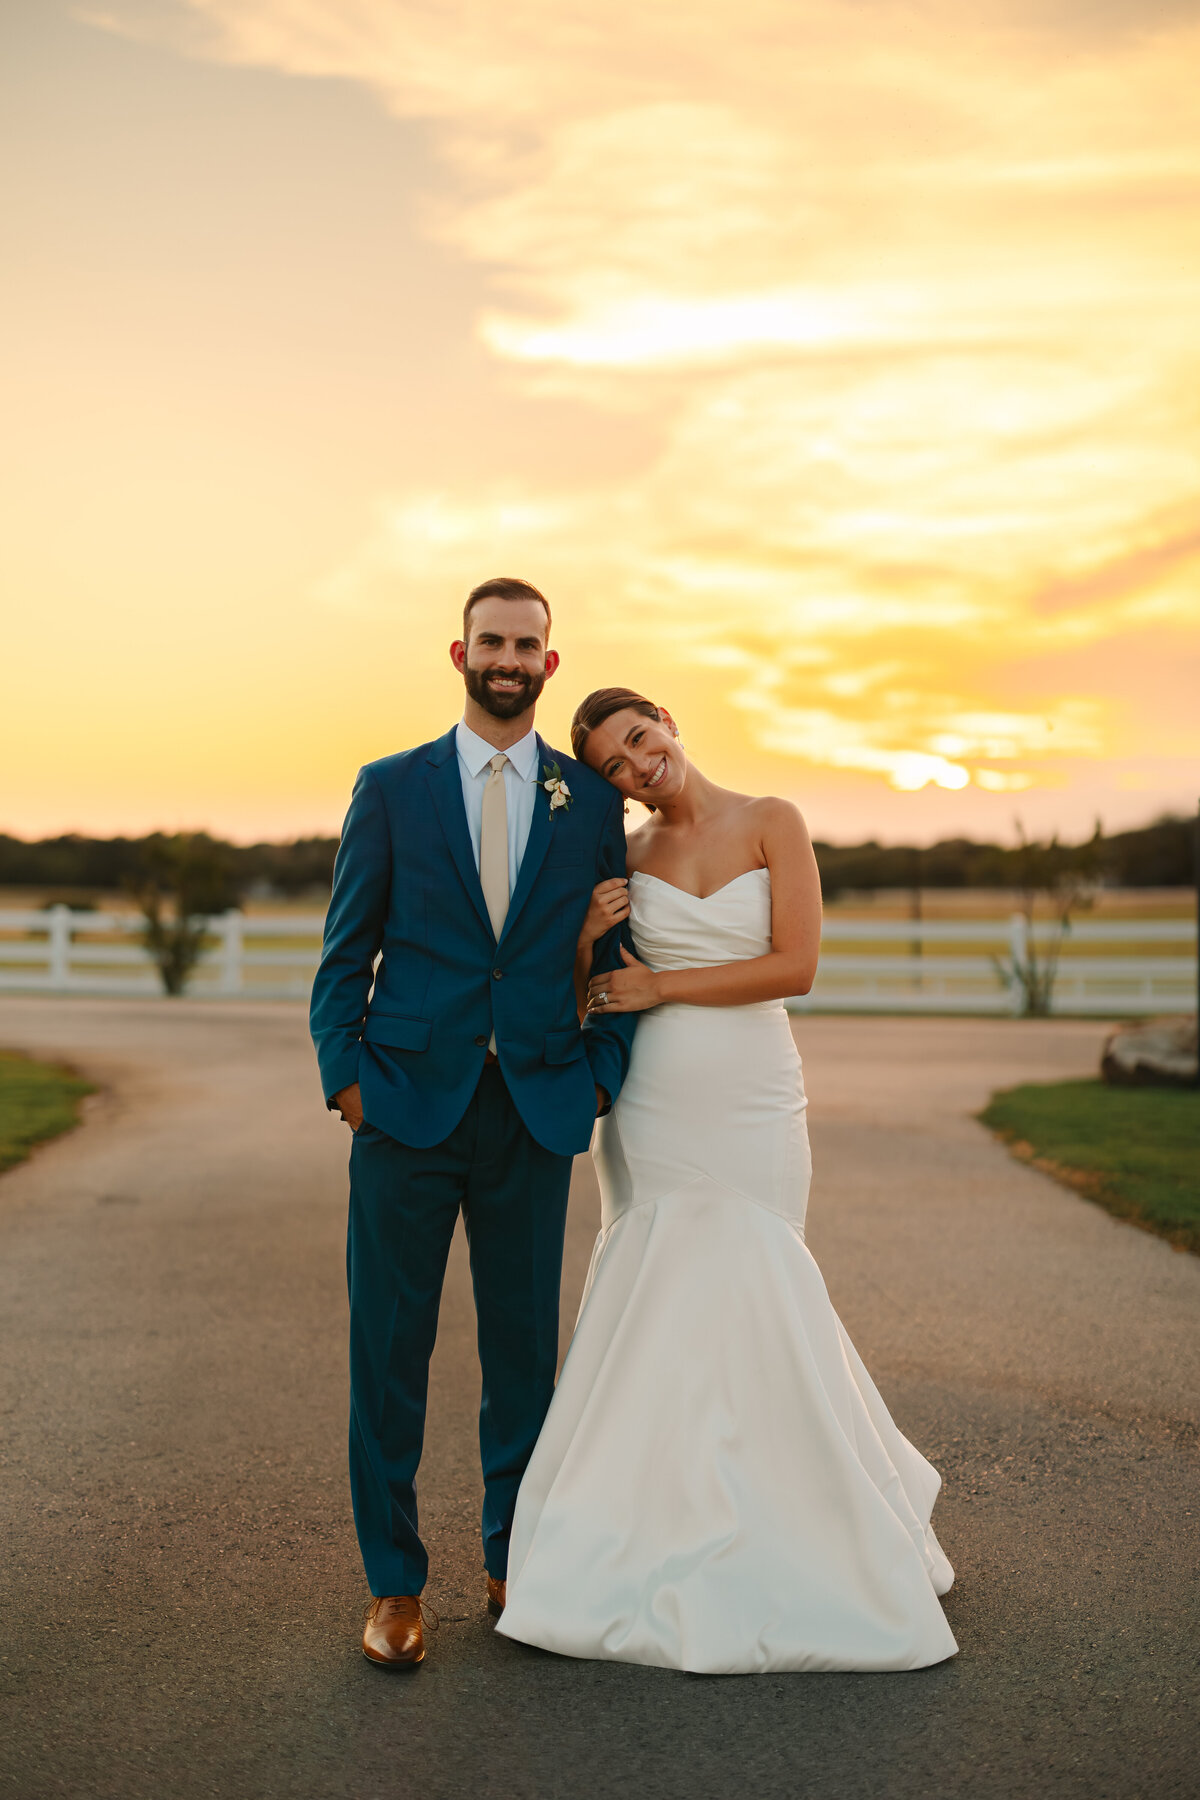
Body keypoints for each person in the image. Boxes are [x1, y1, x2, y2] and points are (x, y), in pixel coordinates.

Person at [497, 687, 958, 1673]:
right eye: (614, 769)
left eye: (637, 739)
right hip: (657, 1105)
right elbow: (583, 989)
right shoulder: (620, 861)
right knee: (662, 1292)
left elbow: (795, 966)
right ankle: (643, 1528)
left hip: (753, 1094)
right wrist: (585, 940)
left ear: (665, 719)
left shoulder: (773, 823)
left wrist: (665, 983)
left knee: (760, 1284)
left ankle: (800, 1521)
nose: (636, 766)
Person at [309, 584, 637, 1669]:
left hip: (534, 1107)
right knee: (389, 1355)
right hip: (405, 1108)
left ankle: (517, 1561)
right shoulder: (391, 787)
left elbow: (616, 953)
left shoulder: (587, 801)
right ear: (462, 651)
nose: (508, 657)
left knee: (522, 1360)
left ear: (551, 663)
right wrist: (348, 1081)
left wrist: (596, 1075)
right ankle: (395, 1586)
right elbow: (344, 952)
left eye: (527, 644)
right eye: (492, 640)